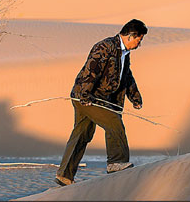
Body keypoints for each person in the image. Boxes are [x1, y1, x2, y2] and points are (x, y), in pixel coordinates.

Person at [55, 19, 148, 186]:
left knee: (82, 133)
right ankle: (116, 162)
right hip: (89, 97)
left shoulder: (124, 53)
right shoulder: (105, 47)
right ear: (130, 36)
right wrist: (85, 94)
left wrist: (135, 97)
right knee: (113, 121)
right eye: (138, 40)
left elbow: (126, 77)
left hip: (94, 98)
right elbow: (91, 70)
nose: (138, 45)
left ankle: (64, 175)